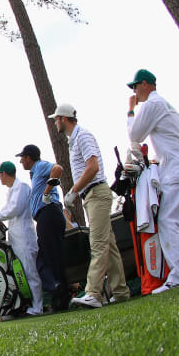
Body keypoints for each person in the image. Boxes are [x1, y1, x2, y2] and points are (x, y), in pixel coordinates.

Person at [127, 69, 179, 291]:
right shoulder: (165, 104)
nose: (134, 91)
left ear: (146, 84)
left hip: (176, 167)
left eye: (135, 86)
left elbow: (134, 135)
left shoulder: (152, 105)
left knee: (168, 220)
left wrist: (130, 111)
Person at [47, 104, 130, 308]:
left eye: (56, 119)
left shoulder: (82, 136)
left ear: (64, 119)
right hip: (91, 195)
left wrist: (74, 191)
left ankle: (93, 293)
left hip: (96, 193)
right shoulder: (73, 141)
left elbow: (93, 167)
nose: (55, 122)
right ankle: (120, 292)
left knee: (98, 243)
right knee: (108, 246)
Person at [0, 160, 43, 315]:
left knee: (30, 272)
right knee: (21, 272)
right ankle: (28, 305)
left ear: (5, 174)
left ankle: (38, 307)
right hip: (16, 236)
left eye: (0, 174)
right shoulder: (11, 191)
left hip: (24, 236)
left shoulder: (21, 187)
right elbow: (6, 209)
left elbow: (14, 209)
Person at [16, 144, 69, 311]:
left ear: (29, 158)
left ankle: (59, 291)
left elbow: (58, 169)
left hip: (49, 213)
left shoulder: (40, 166)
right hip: (46, 216)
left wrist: (47, 192)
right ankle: (58, 292)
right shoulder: (35, 173)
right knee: (47, 258)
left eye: (22, 158)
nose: (21, 162)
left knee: (50, 258)